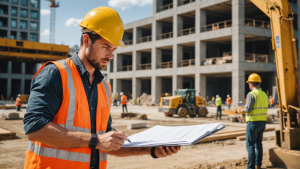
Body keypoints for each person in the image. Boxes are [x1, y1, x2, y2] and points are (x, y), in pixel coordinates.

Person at [23, 7, 180, 169]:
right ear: (86, 41)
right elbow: (34, 128)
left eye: (113, 49)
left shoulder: (104, 87)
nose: (110, 55)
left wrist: (151, 150)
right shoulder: (55, 74)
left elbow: (106, 143)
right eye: (105, 47)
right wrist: (96, 140)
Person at [241, 73, 268, 169]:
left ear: (251, 83)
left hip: (253, 123)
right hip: (262, 123)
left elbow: (248, 109)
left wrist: (242, 109)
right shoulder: (264, 94)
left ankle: (250, 167)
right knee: (258, 144)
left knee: (250, 146)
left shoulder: (251, 94)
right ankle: (258, 164)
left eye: (249, 83)